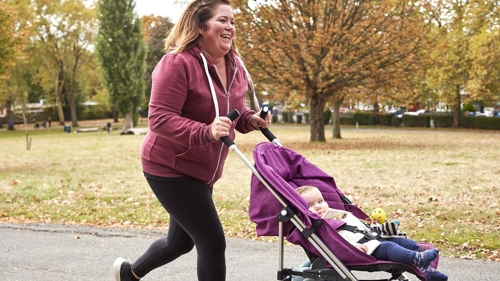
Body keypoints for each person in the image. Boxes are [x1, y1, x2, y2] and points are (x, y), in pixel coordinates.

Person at [112, 1, 270, 281]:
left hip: (203, 170)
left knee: (180, 243)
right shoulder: (177, 63)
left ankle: (129, 274)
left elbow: (233, 110)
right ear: (200, 26)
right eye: (223, 20)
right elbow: (159, 118)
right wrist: (206, 132)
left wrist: (250, 120)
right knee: (212, 241)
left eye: (233, 22)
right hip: (169, 167)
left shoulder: (235, 64)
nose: (230, 28)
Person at [296, 185, 448, 281]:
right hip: (362, 249)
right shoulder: (322, 225)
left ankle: (427, 271)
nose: (318, 207)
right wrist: (354, 247)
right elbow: (337, 241)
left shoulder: (335, 214)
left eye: (320, 201)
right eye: (310, 206)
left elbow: (359, 226)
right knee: (389, 248)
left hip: (374, 238)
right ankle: (417, 259)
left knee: (405, 243)